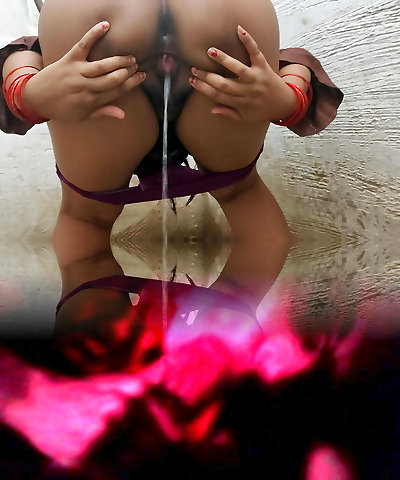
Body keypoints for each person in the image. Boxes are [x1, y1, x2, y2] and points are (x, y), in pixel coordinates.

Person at [0, 0, 343, 248]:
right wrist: (289, 100)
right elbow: (282, 65)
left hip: (94, 14)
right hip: (219, 10)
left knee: (85, 216)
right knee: (241, 193)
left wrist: (26, 93)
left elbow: (30, 50)